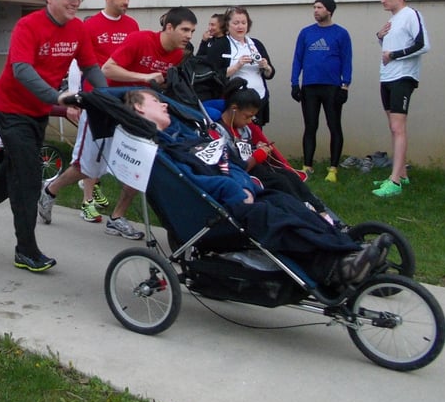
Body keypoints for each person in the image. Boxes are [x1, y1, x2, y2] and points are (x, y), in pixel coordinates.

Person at [125, 89, 390, 287]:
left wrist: (246, 183)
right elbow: (191, 181)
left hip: (241, 192)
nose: (163, 103)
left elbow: (226, 162)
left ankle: (350, 252)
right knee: (281, 223)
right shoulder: (158, 148)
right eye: (154, 101)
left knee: (292, 204)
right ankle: (336, 269)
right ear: (138, 110)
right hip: (220, 211)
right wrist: (236, 191)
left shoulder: (185, 135)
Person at [0, 0, 106, 273]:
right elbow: (22, 70)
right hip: (10, 109)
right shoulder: (28, 26)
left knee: (14, 171)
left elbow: (91, 67)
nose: (75, 1)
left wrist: (106, 98)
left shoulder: (78, 29)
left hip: (37, 111)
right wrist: (57, 97)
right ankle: (25, 250)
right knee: (27, 176)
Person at [37, 0, 138, 231]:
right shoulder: (90, 25)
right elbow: (76, 64)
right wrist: (73, 98)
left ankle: (117, 217)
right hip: (96, 104)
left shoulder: (132, 25)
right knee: (85, 165)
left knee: (135, 162)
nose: (126, 1)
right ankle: (50, 190)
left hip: (123, 105)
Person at [218, 78, 332, 220]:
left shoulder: (244, 129)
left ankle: (321, 212)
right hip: (243, 176)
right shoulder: (219, 132)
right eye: (247, 116)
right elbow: (232, 166)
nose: (249, 122)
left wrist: (257, 149)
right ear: (234, 109)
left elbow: (246, 149)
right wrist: (257, 156)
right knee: (280, 182)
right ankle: (307, 215)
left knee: (290, 176)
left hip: (258, 169)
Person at [373, 0, 430, 198]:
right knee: (393, 126)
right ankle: (402, 174)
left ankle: (394, 181)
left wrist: (394, 55)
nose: (382, 0)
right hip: (387, 77)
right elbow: (391, 46)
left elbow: (423, 45)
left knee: (398, 127)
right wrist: (380, 38)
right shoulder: (393, 19)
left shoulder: (411, 15)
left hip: (402, 78)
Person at [290, 0, 352, 182]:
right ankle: (307, 166)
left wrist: (345, 85)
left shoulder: (341, 34)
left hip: (332, 87)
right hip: (310, 87)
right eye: (314, 7)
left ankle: (333, 168)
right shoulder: (306, 33)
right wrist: (294, 83)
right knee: (310, 126)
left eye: (320, 7)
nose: (316, 10)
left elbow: (347, 60)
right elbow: (297, 58)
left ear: (329, 11)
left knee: (334, 126)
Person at [202, 6, 275, 126]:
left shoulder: (256, 44)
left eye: (243, 23)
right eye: (236, 23)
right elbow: (212, 75)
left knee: (257, 135)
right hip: (235, 103)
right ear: (227, 25)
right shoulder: (220, 45)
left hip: (259, 99)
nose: (240, 26)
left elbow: (270, 74)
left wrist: (266, 66)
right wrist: (237, 66)